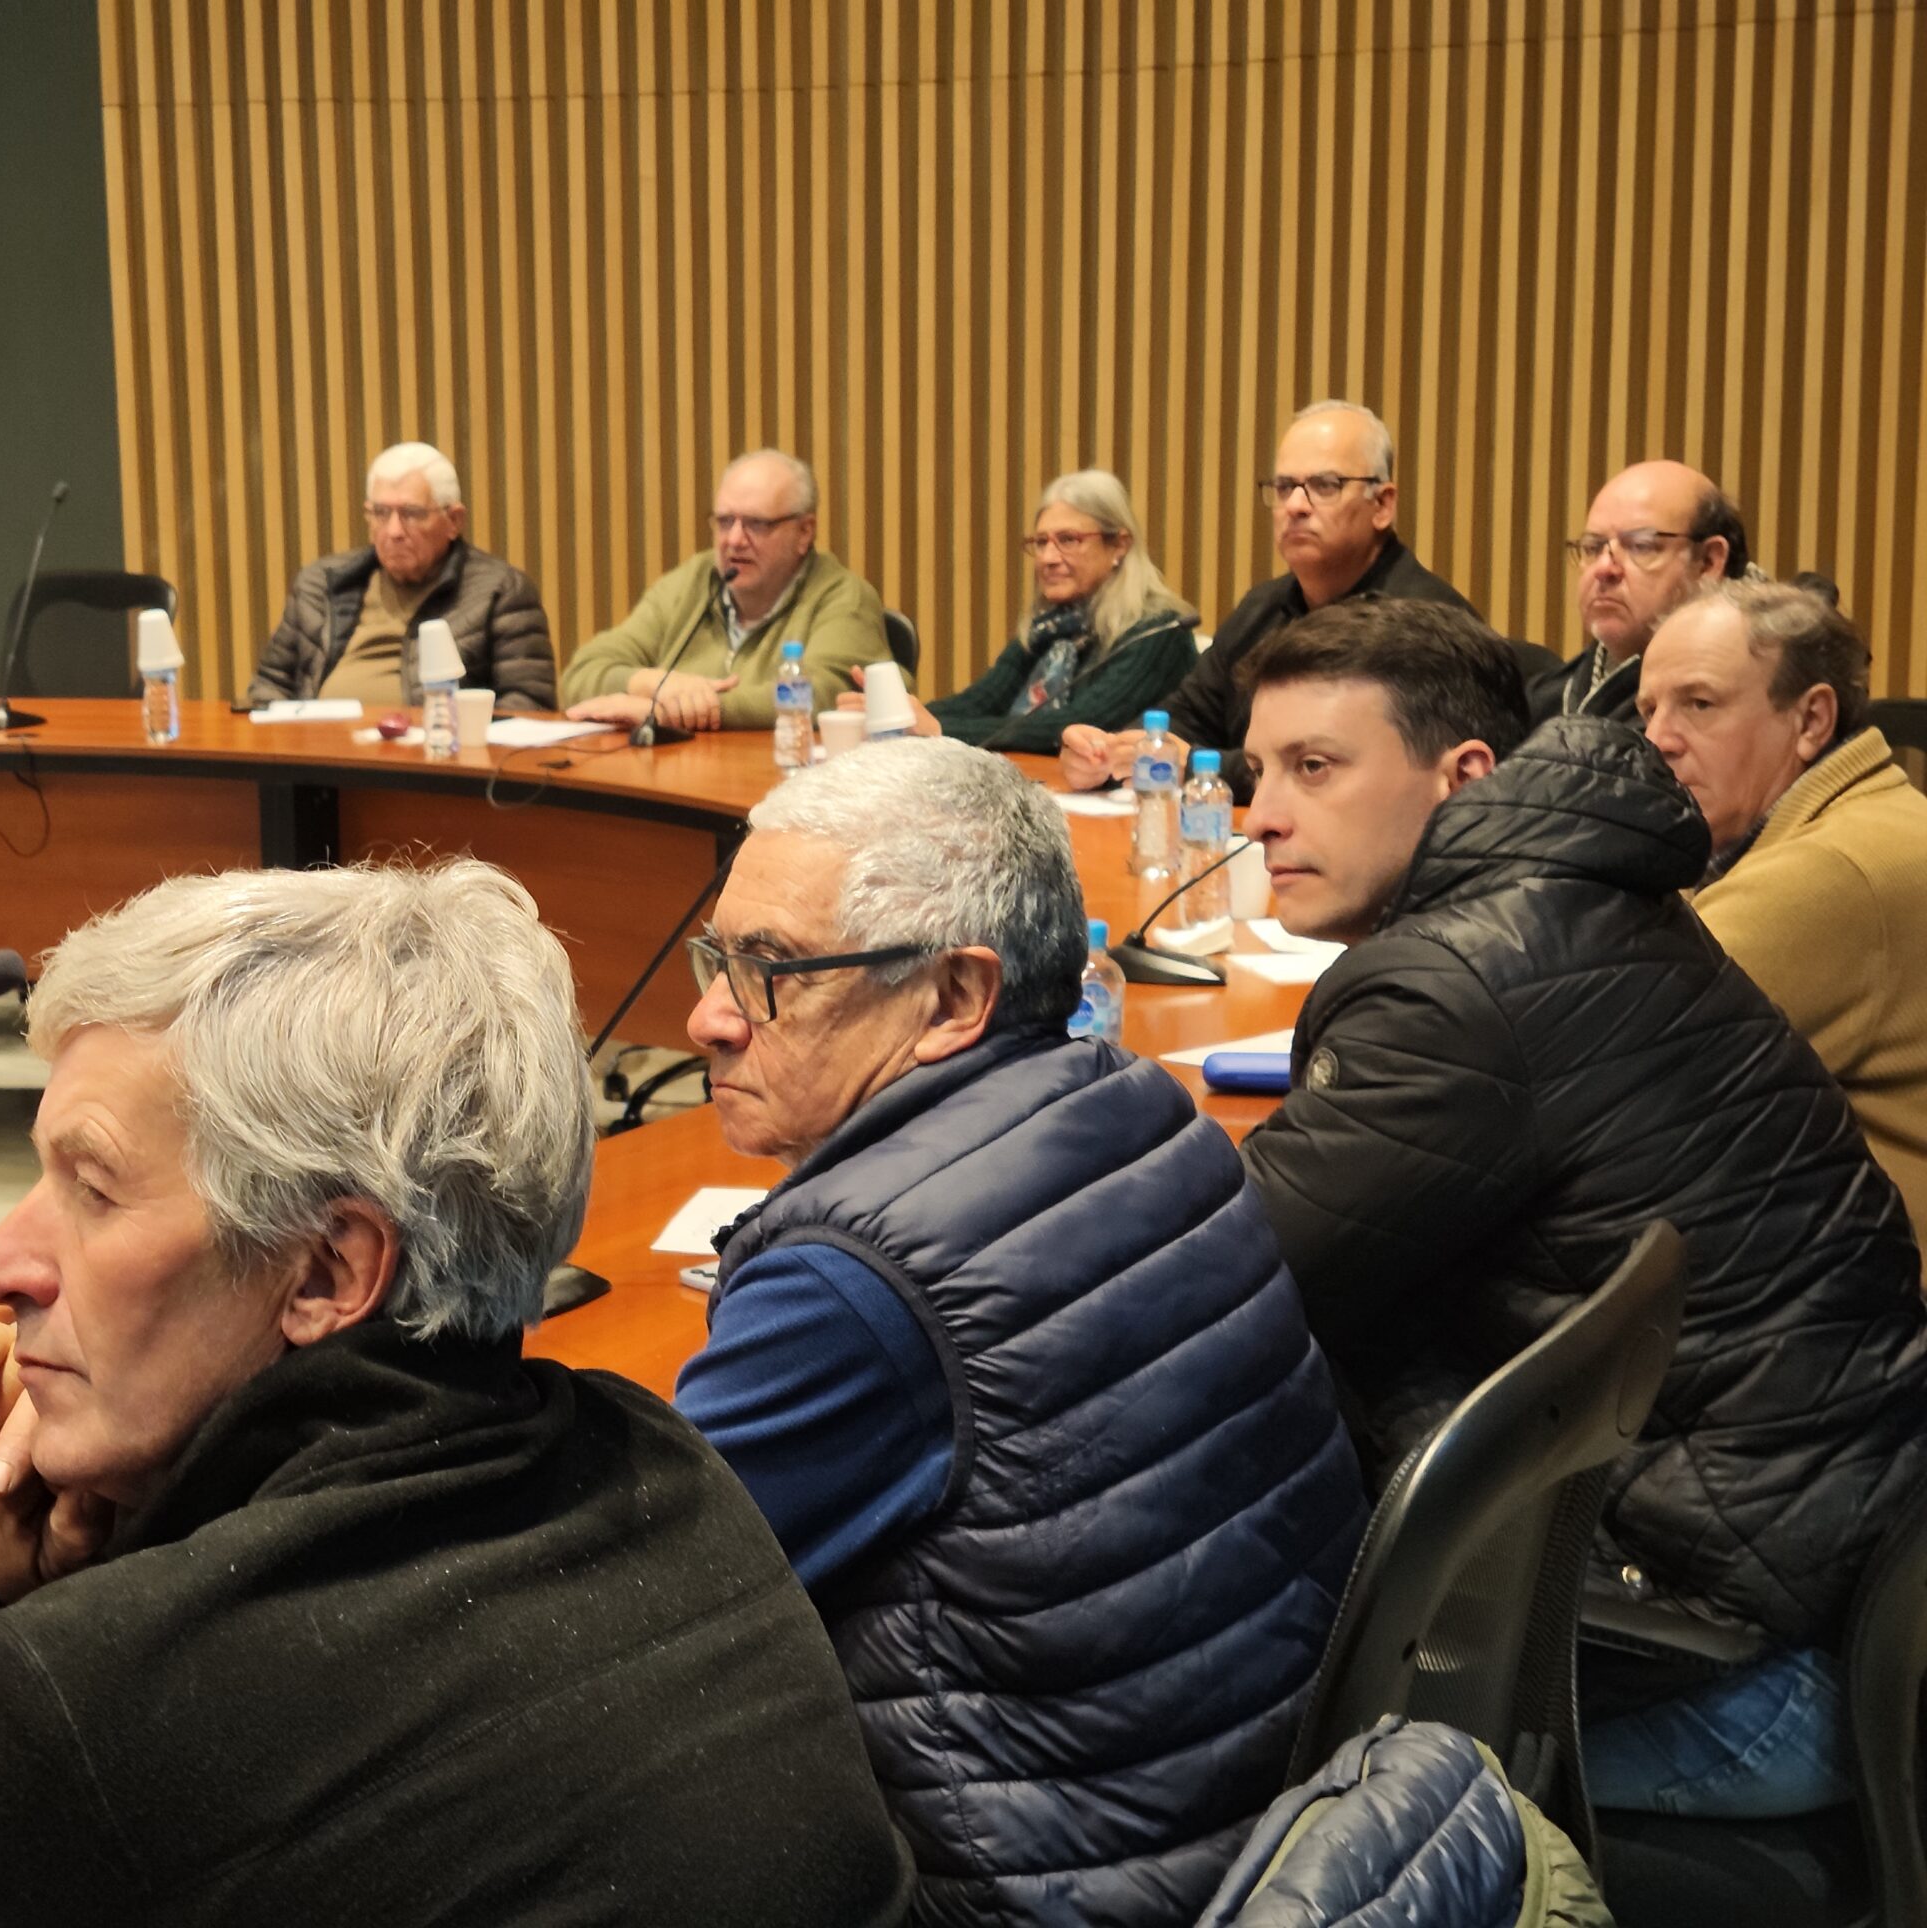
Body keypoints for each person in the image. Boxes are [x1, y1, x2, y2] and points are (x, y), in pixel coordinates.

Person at [0, 861, 913, 1928]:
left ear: (332, 1271)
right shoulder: (659, 1463)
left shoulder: (89, 1708)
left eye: (93, 1188)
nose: (0, 1264)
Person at [1231, 598, 1927, 1820]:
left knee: (1194, 1734)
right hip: (1827, 1571)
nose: (1260, 816)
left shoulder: (1457, 988)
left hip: (1731, 1664)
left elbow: (1212, 1289)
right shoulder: (1576, 902)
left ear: (1464, 775)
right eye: (1256, 773)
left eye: (1314, 767)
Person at [672, 737, 1366, 1926]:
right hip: (1262, 1817)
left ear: (954, 995)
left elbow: (631, 1611)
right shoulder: (1142, 1105)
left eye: (771, 970)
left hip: (1040, 1883)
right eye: (716, 957)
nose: (707, 1018)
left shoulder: (851, 1286)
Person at [1641, 581, 1927, 1254]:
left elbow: (1598, 1063)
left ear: (1811, 721)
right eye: (1647, 710)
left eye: (1699, 704)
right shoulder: (1864, 814)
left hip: (1864, 1298)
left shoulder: (1831, 871)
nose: (1656, 741)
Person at [1058, 400, 1475, 798]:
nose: (1295, 505)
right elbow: (1187, 717)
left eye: (1325, 486)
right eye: (1284, 486)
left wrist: (1202, 767)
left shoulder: (1427, 623)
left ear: (1382, 505)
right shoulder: (1262, 608)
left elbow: (1350, 769)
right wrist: (1112, 753)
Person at [848, 468, 1198, 753]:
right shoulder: (1052, 625)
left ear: (1119, 545)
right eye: (1041, 542)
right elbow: (981, 701)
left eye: (1068, 540)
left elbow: (1079, 723)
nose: (1048, 558)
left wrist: (938, 728)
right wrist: (898, 712)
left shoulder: (1157, 631)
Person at [561, 448, 894, 731]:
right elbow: (580, 674)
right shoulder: (694, 582)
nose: (734, 540)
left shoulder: (843, 597)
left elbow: (828, 694)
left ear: (804, 532)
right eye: (724, 522)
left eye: (756, 524)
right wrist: (653, 684)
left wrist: (683, 711)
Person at [243, 440, 554, 711]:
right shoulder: (321, 584)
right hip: (319, 753)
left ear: (454, 521)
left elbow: (529, 704)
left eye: (412, 514)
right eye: (381, 513)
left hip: (436, 754)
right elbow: (269, 686)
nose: (394, 531)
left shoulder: (500, 591)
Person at [1528, 459, 1749, 724]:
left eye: (1640, 546)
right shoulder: (1542, 701)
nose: (1604, 568)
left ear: (1708, 562)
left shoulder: (1754, 693)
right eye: (1593, 547)